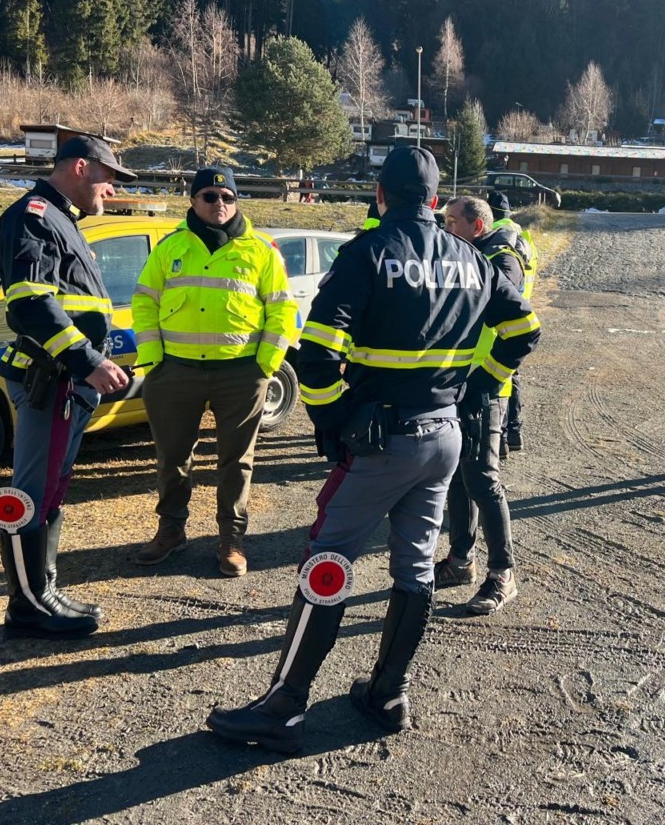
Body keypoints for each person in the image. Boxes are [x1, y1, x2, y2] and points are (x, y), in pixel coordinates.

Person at [206, 146, 540, 755]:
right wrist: (480, 386)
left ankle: (285, 707)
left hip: (382, 439)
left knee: (328, 557)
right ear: (434, 201)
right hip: (444, 436)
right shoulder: (472, 257)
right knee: (415, 566)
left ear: (381, 195)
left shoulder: (367, 253)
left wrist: (334, 419)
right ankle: (390, 693)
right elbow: (525, 329)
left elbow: (316, 350)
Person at [0, 135, 134, 638]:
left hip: (69, 384)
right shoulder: (34, 216)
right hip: (52, 380)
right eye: (109, 177)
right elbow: (31, 303)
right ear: (80, 168)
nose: (111, 190)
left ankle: (43, 590)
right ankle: (29, 607)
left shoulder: (61, 220)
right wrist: (88, 361)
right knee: (32, 494)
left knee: (52, 489)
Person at [131, 167, 297, 576]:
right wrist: (153, 360)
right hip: (175, 372)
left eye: (228, 197)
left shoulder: (261, 251)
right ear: (192, 200)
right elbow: (145, 301)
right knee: (172, 459)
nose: (219, 203)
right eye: (209, 196)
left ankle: (231, 539)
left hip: (240, 374)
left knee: (236, 461)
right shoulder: (170, 247)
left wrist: (265, 365)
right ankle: (171, 531)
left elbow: (282, 309)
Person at [435, 196, 524, 614]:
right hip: (456, 385)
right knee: (458, 478)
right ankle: (460, 561)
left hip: (484, 388)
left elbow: (520, 330)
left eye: (453, 221)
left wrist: (485, 382)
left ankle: (503, 574)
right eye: (444, 220)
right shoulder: (464, 257)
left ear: (477, 226)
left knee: (483, 481)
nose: (446, 228)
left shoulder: (500, 262)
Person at [486, 189, 536, 454]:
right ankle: (514, 433)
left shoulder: (498, 240)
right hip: (522, 308)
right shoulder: (522, 236)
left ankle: (505, 435)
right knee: (512, 376)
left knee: (503, 378)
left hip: (502, 316)